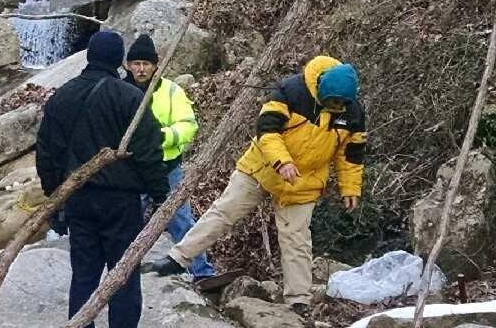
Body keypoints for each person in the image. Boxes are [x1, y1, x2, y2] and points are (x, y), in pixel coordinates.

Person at [149, 54, 364, 305]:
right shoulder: (291, 91)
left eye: (341, 104)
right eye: (331, 102)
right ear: (320, 89)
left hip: (304, 181)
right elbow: (267, 130)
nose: (336, 107)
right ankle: (178, 258)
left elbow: (351, 154)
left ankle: (298, 301)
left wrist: (350, 188)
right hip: (260, 168)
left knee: (297, 240)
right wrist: (282, 161)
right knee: (223, 213)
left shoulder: (353, 111)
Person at [35, 29, 167, 328]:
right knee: (122, 276)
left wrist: (55, 197)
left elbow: (46, 152)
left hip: (77, 198)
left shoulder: (62, 96)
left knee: (84, 275)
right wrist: (160, 193)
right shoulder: (128, 98)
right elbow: (149, 150)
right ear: (118, 60)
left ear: (89, 56)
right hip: (121, 202)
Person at [124, 33, 213, 281]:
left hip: (167, 167)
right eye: (136, 64)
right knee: (128, 222)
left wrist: (160, 138)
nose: (141, 69)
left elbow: (188, 125)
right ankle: (123, 271)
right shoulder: (120, 90)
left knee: (181, 220)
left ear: (155, 66)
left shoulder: (172, 91)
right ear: (128, 65)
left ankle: (202, 273)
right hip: (132, 169)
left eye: (146, 64)